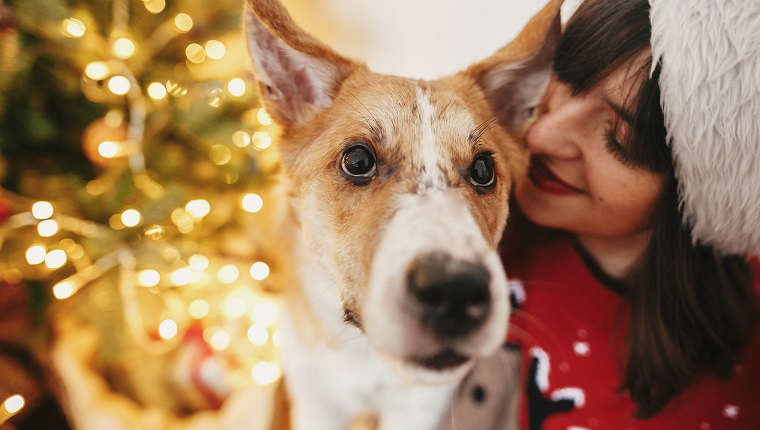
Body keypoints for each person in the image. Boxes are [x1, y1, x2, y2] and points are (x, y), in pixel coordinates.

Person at [487, 0, 760, 428]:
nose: (543, 135)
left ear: (696, 186)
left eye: (619, 138)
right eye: (564, 77)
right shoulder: (471, 244)